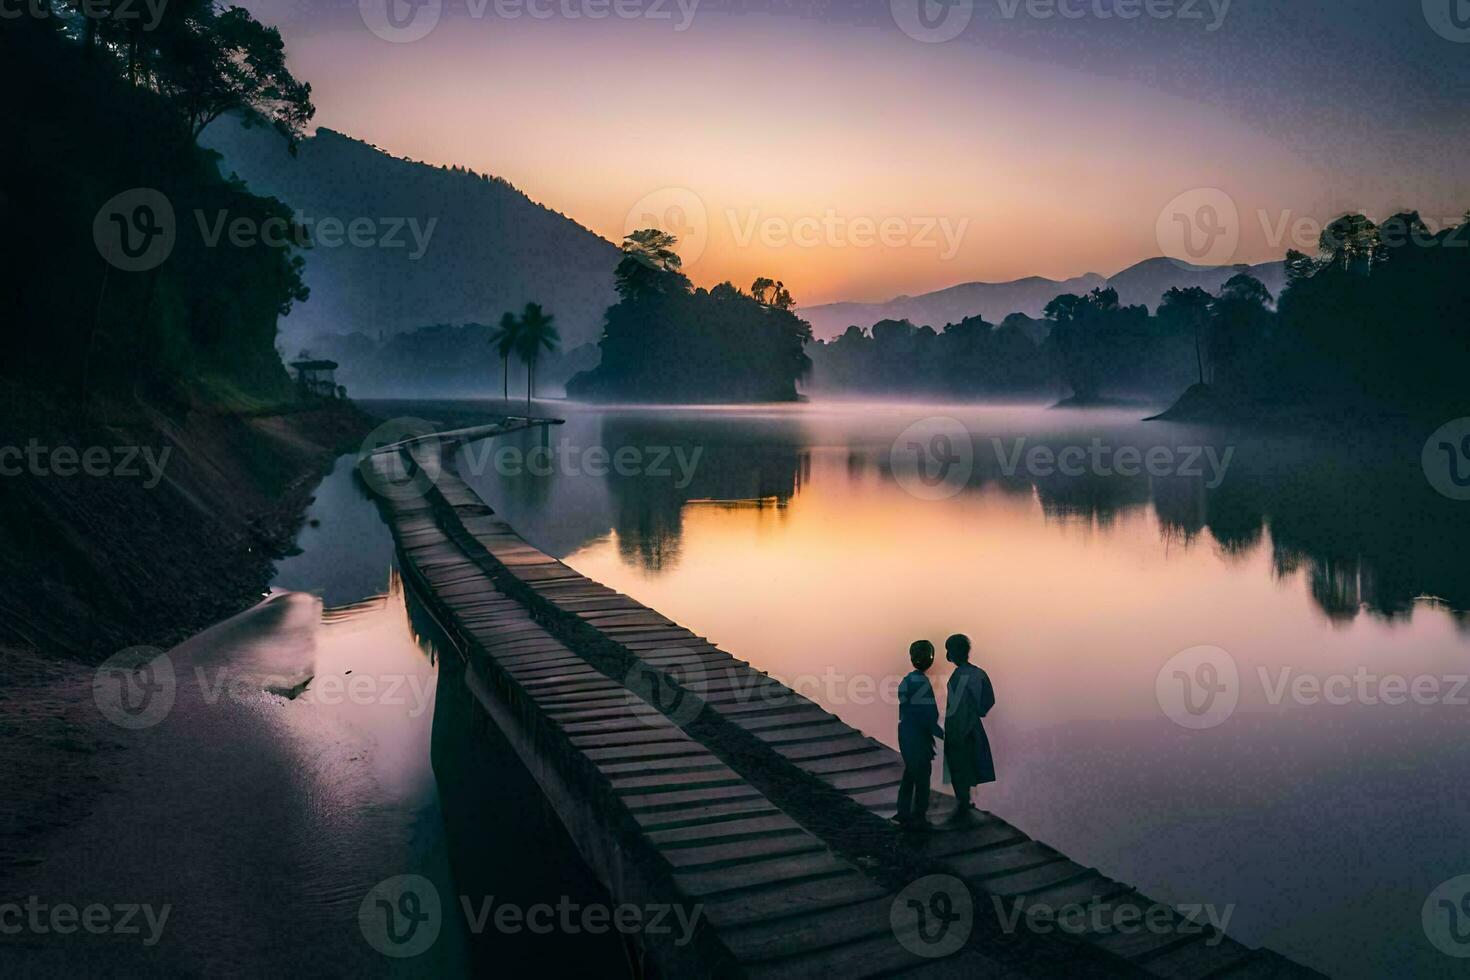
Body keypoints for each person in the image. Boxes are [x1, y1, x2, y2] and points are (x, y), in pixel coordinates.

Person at [942, 633, 995, 821]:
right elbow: (989, 700)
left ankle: (963, 804)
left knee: (959, 766)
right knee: (971, 765)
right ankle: (967, 804)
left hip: (958, 728)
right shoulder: (979, 673)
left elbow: (954, 706)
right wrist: (978, 711)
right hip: (973, 726)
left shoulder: (958, 676)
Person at [895, 640, 944, 830]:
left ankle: (903, 812)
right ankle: (919, 816)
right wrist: (944, 736)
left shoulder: (907, 680)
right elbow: (927, 716)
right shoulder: (921, 683)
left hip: (907, 733)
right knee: (922, 777)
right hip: (917, 736)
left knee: (910, 774)